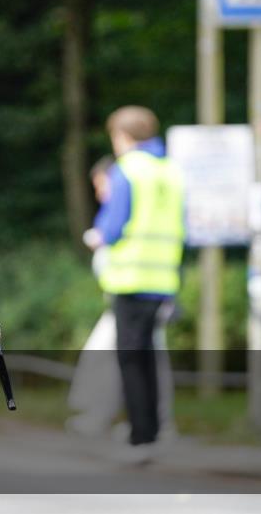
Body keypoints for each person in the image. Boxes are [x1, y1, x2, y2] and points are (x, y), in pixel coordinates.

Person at [87, 106, 185, 462]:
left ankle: (139, 439)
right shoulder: (171, 171)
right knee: (149, 359)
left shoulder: (126, 170)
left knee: (130, 361)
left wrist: (96, 238)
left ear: (123, 137)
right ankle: (154, 431)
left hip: (130, 280)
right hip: (163, 279)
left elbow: (111, 228)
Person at [67, 157, 177, 442]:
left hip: (134, 294)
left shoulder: (125, 204)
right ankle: (143, 425)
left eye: (101, 185)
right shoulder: (142, 202)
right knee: (135, 361)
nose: (99, 193)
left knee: (123, 360)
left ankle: (136, 426)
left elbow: (115, 239)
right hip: (137, 294)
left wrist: (101, 239)